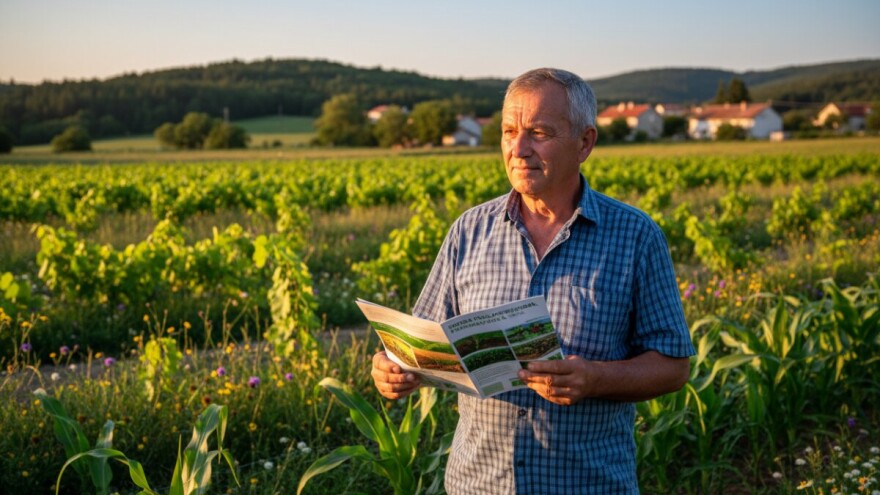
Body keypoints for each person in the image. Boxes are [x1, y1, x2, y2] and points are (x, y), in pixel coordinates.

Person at [371, 67, 695, 494]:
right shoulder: (468, 230)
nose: (518, 149)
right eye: (509, 131)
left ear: (585, 143)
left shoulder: (635, 236)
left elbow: (673, 366)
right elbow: (418, 344)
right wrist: (393, 369)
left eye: (539, 132)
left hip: (588, 486)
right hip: (478, 484)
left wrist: (596, 378)